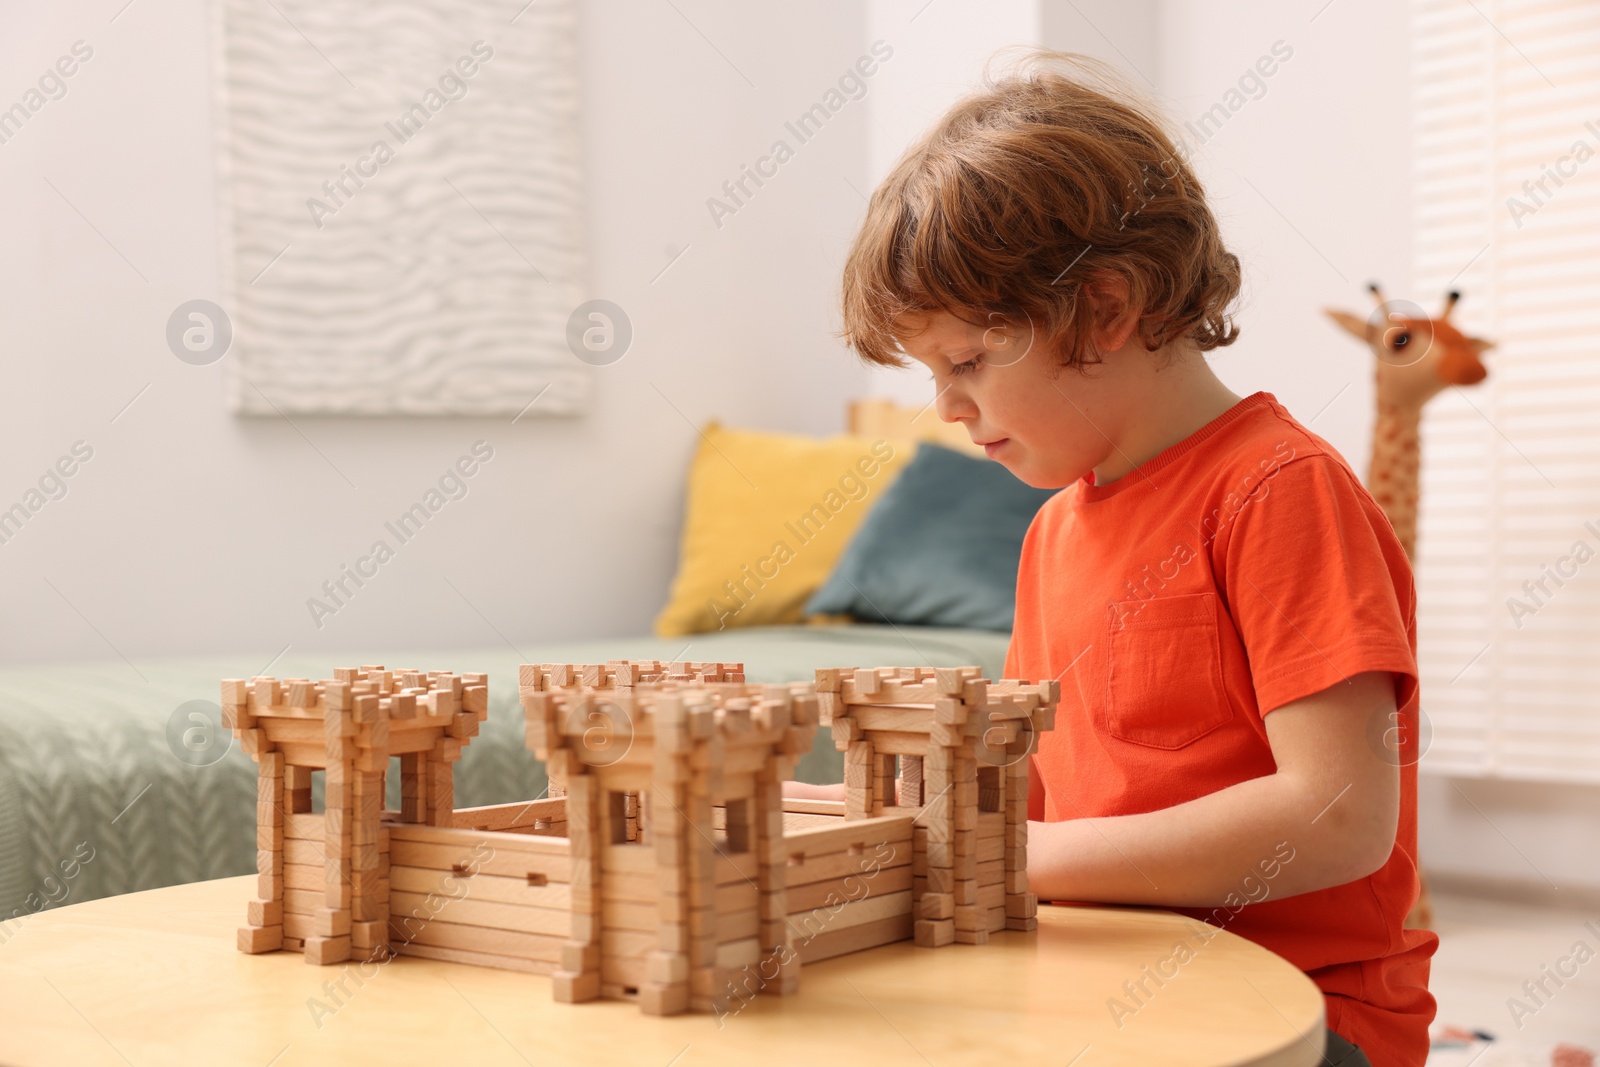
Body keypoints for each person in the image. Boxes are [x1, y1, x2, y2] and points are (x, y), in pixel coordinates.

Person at [786, 49, 1436, 1066]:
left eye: (966, 361)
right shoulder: (1052, 530)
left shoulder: (1277, 488)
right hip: (1107, 978)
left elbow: (1337, 815)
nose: (947, 407)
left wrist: (1015, 854)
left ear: (1106, 309)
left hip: (1298, 1010)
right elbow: (1034, 794)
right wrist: (848, 816)